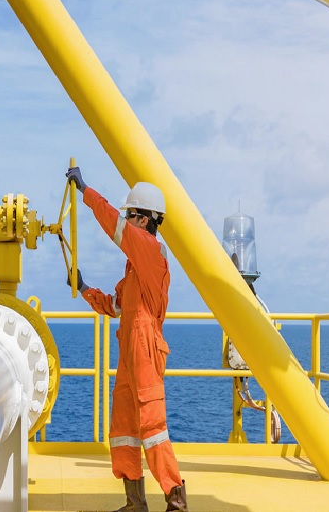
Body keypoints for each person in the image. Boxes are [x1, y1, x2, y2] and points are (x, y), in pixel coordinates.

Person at [66, 166, 188, 512]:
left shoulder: (150, 250)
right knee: (124, 428)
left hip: (144, 351)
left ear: (145, 220)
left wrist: (86, 191)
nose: (127, 220)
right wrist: (84, 288)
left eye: (131, 215)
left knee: (153, 427)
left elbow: (114, 226)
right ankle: (135, 502)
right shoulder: (135, 269)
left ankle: (176, 501)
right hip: (131, 353)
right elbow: (116, 305)